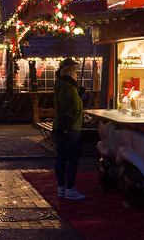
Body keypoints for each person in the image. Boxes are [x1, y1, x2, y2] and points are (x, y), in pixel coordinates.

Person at [53, 58, 86, 200]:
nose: (77, 76)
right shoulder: (70, 88)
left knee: (60, 158)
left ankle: (61, 187)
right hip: (71, 127)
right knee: (72, 159)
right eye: (76, 74)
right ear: (71, 75)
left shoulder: (59, 85)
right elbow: (76, 107)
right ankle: (70, 189)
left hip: (58, 126)